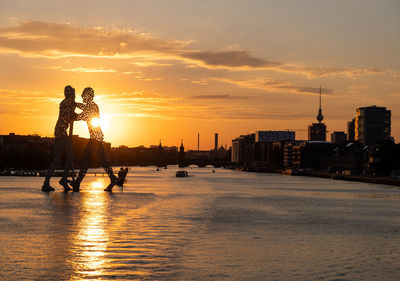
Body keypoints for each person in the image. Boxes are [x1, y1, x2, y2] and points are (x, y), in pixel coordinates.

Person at [71, 87, 116, 192]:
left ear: (88, 96)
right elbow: (83, 108)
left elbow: (83, 115)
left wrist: (74, 115)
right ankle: (77, 183)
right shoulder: (90, 106)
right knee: (94, 161)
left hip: (96, 138)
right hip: (95, 137)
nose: (82, 97)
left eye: (84, 95)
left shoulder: (93, 106)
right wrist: (75, 104)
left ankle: (77, 183)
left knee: (93, 161)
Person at [42, 85, 77, 192]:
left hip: (60, 132)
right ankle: (63, 179)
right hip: (61, 132)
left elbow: (72, 114)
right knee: (68, 156)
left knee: (61, 159)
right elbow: (73, 114)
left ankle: (48, 183)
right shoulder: (67, 103)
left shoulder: (66, 102)